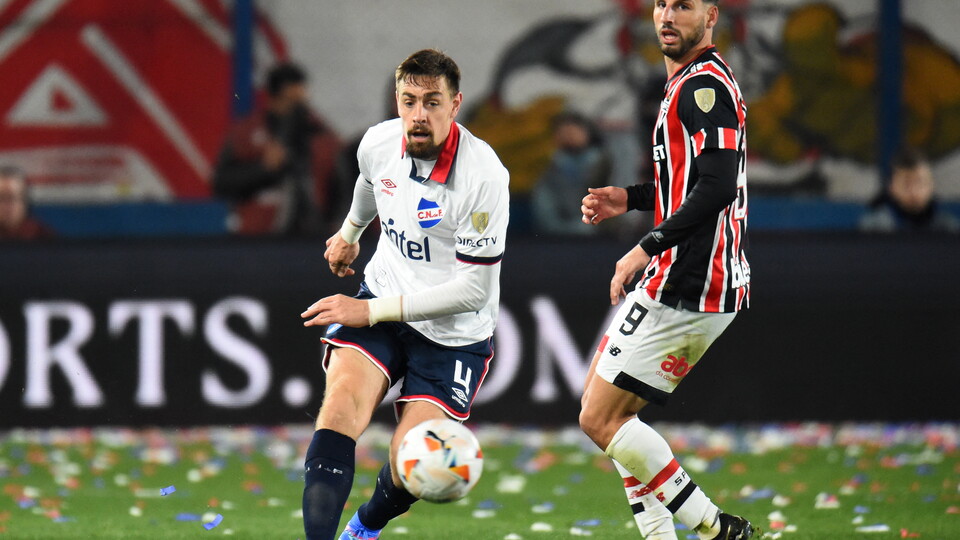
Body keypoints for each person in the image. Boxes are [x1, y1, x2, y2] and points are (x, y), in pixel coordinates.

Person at [299, 49, 509, 540]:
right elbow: (370, 183)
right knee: (340, 406)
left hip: (454, 333)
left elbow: (473, 290)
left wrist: (366, 309)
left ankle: (365, 525)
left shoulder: (483, 177)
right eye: (410, 101)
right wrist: (350, 232)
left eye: (432, 102)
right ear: (397, 101)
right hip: (386, 297)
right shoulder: (378, 142)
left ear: (455, 105)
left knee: (412, 462)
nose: (419, 114)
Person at [579, 1, 754, 539]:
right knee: (604, 412)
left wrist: (646, 245)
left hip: (693, 281)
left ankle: (714, 527)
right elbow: (687, 181)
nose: (667, 16)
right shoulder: (688, 83)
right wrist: (629, 198)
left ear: (711, 15)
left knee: (600, 418)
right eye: (660, 4)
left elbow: (719, 185)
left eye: (683, 5)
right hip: (683, 275)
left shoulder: (708, 87)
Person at [212, 62, 341, 236]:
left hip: (313, 236)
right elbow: (221, 182)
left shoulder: (321, 136)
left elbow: (343, 186)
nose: (296, 110)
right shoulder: (248, 134)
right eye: (288, 101)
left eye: (300, 102)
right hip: (257, 237)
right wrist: (263, 169)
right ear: (271, 99)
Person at [531, 111, 612, 235]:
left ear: (587, 132)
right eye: (563, 132)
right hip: (559, 237)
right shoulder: (550, 168)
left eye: (574, 131)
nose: (569, 136)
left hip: (605, 236)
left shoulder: (605, 163)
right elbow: (545, 211)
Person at [859, 147, 960, 233]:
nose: (914, 192)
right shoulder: (873, 228)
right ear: (892, 187)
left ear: (931, 185)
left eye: (920, 183)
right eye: (906, 185)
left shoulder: (948, 228)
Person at [0, 165, 53, 240]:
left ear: (24, 201)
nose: (6, 206)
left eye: (12, 198)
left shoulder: (41, 235)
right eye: (1, 198)